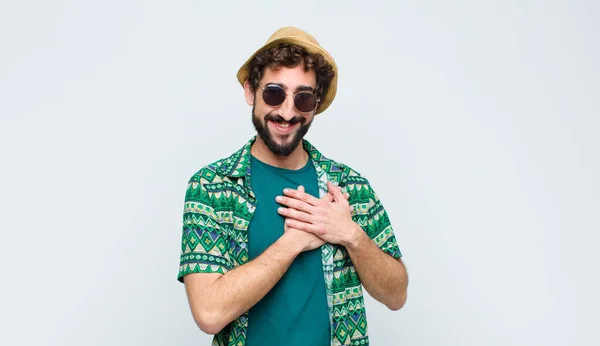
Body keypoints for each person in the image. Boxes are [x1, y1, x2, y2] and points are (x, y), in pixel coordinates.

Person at [177, 26, 409, 346]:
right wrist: (294, 242)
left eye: (302, 98)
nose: (287, 112)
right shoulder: (212, 189)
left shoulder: (349, 188)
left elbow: (397, 294)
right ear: (250, 91)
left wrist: (350, 234)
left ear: (314, 104)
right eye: (274, 93)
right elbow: (209, 313)